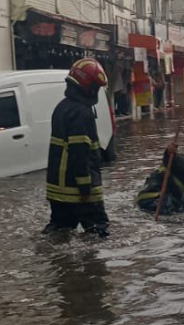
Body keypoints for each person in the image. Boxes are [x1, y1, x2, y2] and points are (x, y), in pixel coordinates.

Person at [42, 58, 110, 238]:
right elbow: (79, 153)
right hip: (78, 191)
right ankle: (95, 266)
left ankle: (56, 264)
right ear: (88, 86)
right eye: (96, 87)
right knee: (98, 233)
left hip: (58, 190)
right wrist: (85, 187)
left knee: (60, 232)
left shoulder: (61, 107)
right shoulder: (82, 112)